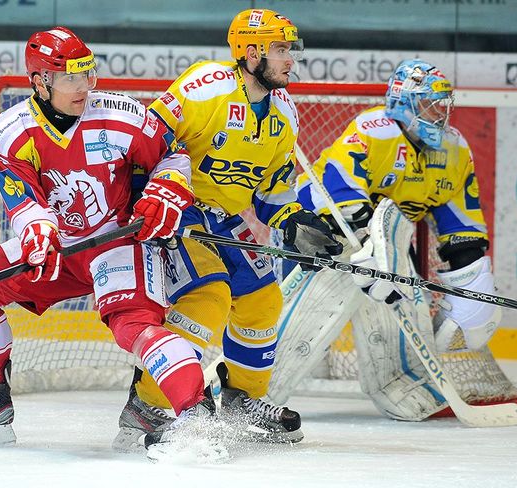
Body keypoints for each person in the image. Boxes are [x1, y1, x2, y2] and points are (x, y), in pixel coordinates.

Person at [0, 26, 212, 448]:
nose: (82, 86)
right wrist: (38, 233)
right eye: (68, 78)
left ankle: (196, 418)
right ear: (39, 81)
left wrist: (166, 190)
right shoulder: (9, 131)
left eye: (87, 74)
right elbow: (23, 199)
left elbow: (171, 153)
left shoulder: (121, 114)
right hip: (57, 250)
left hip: (117, 243)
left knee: (133, 327)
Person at [112, 9, 342, 451]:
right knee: (209, 297)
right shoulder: (205, 87)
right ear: (250, 52)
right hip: (177, 209)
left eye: (290, 50)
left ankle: (241, 400)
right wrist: (144, 198)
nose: (289, 59)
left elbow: (273, 191)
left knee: (262, 300)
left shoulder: (284, 113)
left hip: (224, 217)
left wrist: (293, 221)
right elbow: (146, 140)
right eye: (280, 49)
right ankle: (148, 404)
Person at [287, 59, 501, 420]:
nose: (438, 111)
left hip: (388, 237)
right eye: (428, 103)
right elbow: (340, 191)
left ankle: (403, 384)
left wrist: (473, 281)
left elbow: (462, 227)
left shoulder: (454, 150)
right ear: (404, 102)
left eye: (442, 103)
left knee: (395, 306)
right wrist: (367, 247)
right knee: (301, 322)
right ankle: (250, 386)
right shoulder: (374, 131)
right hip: (317, 231)